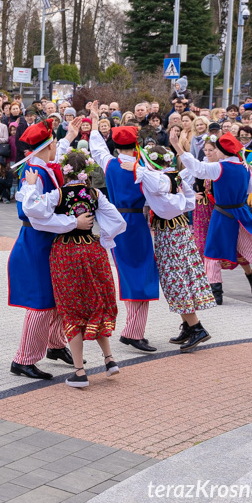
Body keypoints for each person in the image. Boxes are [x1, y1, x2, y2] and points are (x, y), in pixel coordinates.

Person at [20, 149, 126, 387]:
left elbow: (32, 208)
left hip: (66, 253)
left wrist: (30, 186)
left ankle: (80, 372)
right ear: (86, 171)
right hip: (92, 251)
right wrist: (104, 239)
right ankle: (109, 360)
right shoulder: (94, 193)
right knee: (95, 301)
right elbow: (118, 221)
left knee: (72, 307)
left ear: (65, 172)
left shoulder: (58, 194)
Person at [9, 118, 86, 381]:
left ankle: (54, 345)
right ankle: (23, 360)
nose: (57, 147)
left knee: (54, 297)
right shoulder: (34, 172)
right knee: (41, 302)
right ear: (47, 145)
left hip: (45, 240)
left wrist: (69, 138)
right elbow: (36, 213)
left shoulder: (40, 166)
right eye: (54, 142)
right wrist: (73, 222)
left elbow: (56, 158)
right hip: (37, 241)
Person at [172, 132, 252, 303]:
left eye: (216, 149)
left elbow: (197, 168)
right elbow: (248, 191)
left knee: (212, 252)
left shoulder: (220, 167)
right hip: (241, 213)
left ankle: (216, 293)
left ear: (223, 151)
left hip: (222, 215)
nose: (215, 152)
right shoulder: (247, 168)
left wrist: (177, 146)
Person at [132, 141, 216, 351]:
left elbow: (169, 206)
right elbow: (189, 200)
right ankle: (188, 326)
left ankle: (196, 327)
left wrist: (136, 168)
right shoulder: (174, 176)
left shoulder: (160, 179)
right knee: (179, 276)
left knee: (176, 278)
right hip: (176, 229)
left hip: (170, 232)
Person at [89, 115, 160, 353]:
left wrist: (95, 122)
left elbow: (97, 148)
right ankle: (133, 332)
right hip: (136, 222)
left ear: (117, 146)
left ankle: (132, 329)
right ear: (136, 143)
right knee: (143, 273)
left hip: (116, 221)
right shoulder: (142, 167)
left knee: (128, 272)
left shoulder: (109, 163)